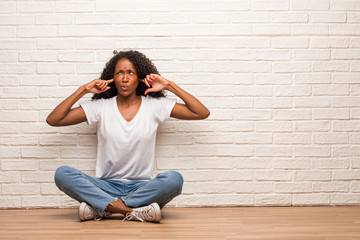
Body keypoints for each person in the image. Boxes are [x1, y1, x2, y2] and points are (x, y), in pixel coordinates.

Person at [46, 50, 210, 223]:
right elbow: (54, 120)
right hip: (105, 186)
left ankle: (102, 208)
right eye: (119, 73)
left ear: (140, 77)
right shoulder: (100, 107)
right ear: (112, 77)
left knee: (174, 179)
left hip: (142, 188)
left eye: (130, 72)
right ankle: (134, 211)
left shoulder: (155, 106)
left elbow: (201, 112)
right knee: (62, 174)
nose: (124, 78)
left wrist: (169, 85)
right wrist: (83, 90)